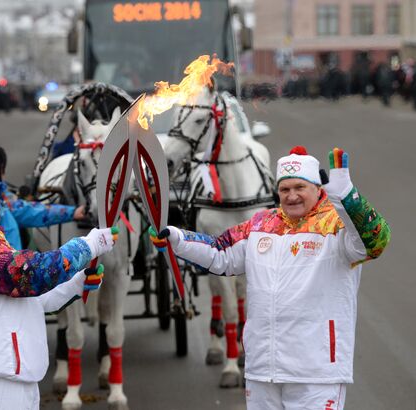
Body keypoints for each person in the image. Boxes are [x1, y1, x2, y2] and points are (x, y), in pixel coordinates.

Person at [150, 146, 390, 410]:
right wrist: (176, 238)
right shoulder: (261, 224)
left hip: (316, 373)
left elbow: (376, 241)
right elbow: (219, 252)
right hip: (263, 370)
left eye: (300, 187)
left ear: (317, 188)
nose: (292, 196)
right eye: (285, 189)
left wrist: (348, 198)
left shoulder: (337, 227)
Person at [0, 169, 118, 409]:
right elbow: (31, 274)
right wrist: (88, 245)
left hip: (15, 376)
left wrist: (77, 284)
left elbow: (34, 300)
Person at [0, 144, 84, 250]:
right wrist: (72, 212)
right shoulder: (1, 197)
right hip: (8, 264)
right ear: (0, 168)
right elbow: (32, 212)